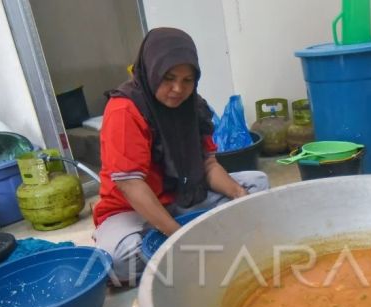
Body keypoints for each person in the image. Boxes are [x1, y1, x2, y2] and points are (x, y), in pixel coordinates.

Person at [92, 27, 268, 282]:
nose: (178, 89)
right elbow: (130, 185)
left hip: (180, 198)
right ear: (152, 71)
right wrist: (181, 237)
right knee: (119, 261)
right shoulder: (124, 110)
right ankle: (189, 240)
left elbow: (207, 164)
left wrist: (240, 195)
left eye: (188, 80)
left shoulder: (193, 106)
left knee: (256, 184)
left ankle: (177, 244)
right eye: (169, 77)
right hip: (131, 211)